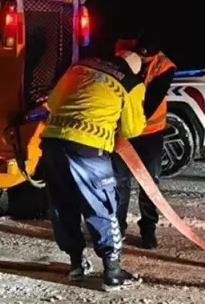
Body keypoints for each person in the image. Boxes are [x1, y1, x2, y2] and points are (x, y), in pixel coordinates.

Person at [40, 51, 146, 289]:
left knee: (62, 205)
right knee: (102, 206)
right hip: (89, 149)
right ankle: (112, 271)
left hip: (52, 142)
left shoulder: (79, 66)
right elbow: (132, 128)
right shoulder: (130, 82)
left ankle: (76, 265)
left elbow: (53, 103)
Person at [111, 32, 176, 250]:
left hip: (149, 133)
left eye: (149, 56)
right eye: (141, 54)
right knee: (119, 183)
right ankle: (116, 230)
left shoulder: (165, 67)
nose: (144, 59)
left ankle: (148, 230)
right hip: (122, 131)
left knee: (149, 183)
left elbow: (148, 105)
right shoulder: (122, 52)